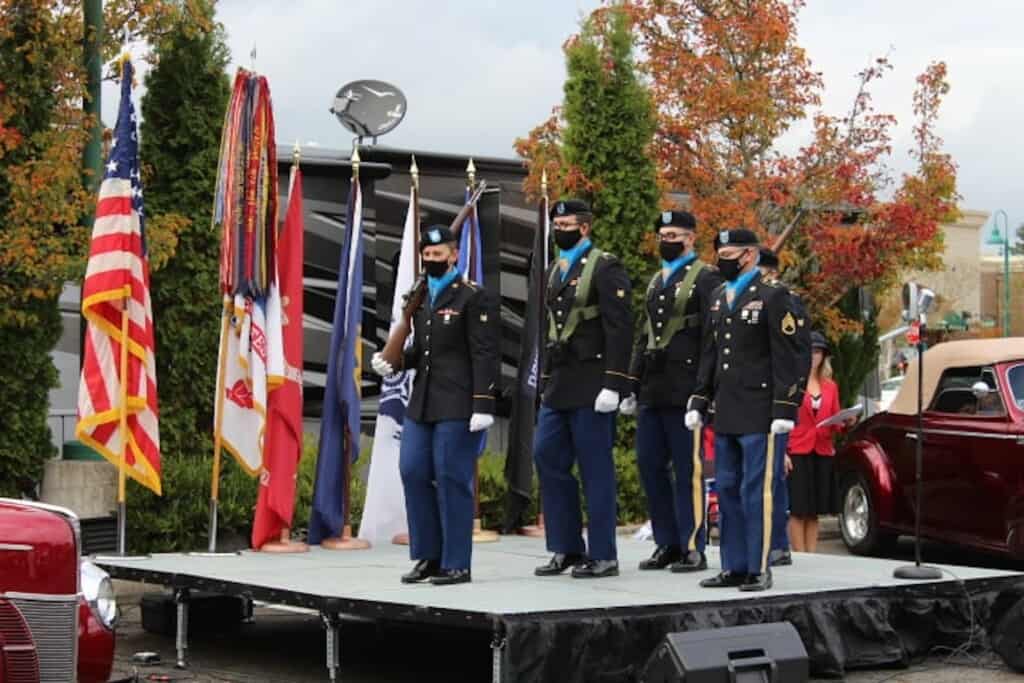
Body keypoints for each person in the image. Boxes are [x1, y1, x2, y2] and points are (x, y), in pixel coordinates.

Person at [371, 225, 498, 586]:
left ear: (454, 255)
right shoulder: (422, 294)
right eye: (426, 256)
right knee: (412, 471)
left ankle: (456, 562)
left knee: (451, 478)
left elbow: (484, 352)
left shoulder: (472, 297)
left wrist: (484, 402)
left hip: (458, 402)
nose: (431, 261)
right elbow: (422, 350)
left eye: (438, 255)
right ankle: (428, 556)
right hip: (422, 401)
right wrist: (394, 360)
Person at [686, 228, 802, 592]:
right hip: (728, 410)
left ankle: (758, 566)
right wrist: (699, 398)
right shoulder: (720, 296)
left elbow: (790, 355)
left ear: (749, 255)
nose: (722, 258)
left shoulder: (773, 296)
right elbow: (712, 353)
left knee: (757, 490)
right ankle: (733, 566)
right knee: (728, 488)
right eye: (720, 251)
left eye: (729, 253)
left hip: (761, 409)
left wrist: (786, 406)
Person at [533, 199, 633, 579]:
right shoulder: (554, 270)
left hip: (594, 385)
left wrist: (614, 383)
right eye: (556, 223)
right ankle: (567, 546)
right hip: (560, 384)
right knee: (547, 458)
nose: (560, 228)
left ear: (585, 228)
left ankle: (604, 553)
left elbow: (620, 328)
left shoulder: (605, 267)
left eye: (567, 223)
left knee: (595, 470)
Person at [620, 211, 723, 573]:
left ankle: (693, 544)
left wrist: (705, 391)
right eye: (663, 234)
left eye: (675, 234)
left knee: (688, 470)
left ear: (691, 239)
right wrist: (631, 384)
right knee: (650, 466)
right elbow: (644, 335)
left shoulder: (706, 278)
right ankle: (667, 542)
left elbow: (714, 339)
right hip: (654, 389)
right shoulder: (655, 281)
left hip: (686, 390)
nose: (667, 240)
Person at [758, 247, 812, 567]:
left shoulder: (786, 301)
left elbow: (798, 356)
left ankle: (777, 543)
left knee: (773, 475)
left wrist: (789, 402)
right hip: (745, 397)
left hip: (773, 398)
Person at [784, 331, 852, 553]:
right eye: (811, 351)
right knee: (798, 508)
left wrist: (846, 420)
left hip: (822, 450)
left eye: (819, 352)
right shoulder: (791, 382)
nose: (815, 356)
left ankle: (812, 555)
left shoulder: (830, 386)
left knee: (814, 510)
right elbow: (781, 418)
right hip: (796, 449)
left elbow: (834, 420)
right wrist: (782, 452)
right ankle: (799, 555)